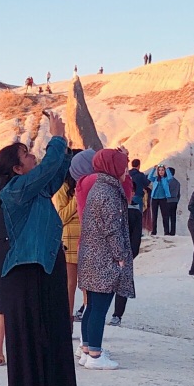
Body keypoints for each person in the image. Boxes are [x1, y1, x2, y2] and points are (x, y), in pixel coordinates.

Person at [0, 114, 76, 386]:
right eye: (26, 154)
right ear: (17, 168)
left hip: (46, 268)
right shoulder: (15, 191)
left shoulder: (35, 189)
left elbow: (57, 172)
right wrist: (56, 138)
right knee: (24, 340)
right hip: (21, 275)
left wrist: (65, 147)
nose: (31, 155)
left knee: (50, 335)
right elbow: (49, 170)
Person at [75, 148, 134, 369]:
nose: (124, 170)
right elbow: (112, 228)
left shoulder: (97, 187)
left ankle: (87, 349)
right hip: (103, 257)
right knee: (99, 307)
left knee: (91, 306)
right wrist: (120, 256)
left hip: (90, 254)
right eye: (122, 165)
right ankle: (96, 356)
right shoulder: (108, 192)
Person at [55, 167, 82, 324]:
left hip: (87, 236)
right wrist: (76, 198)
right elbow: (62, 216)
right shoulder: (64, 187)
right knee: (70, 284)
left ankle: (88, 325)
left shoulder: (89, 185)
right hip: (70, 237)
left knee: (87, 284)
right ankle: (67, 322)